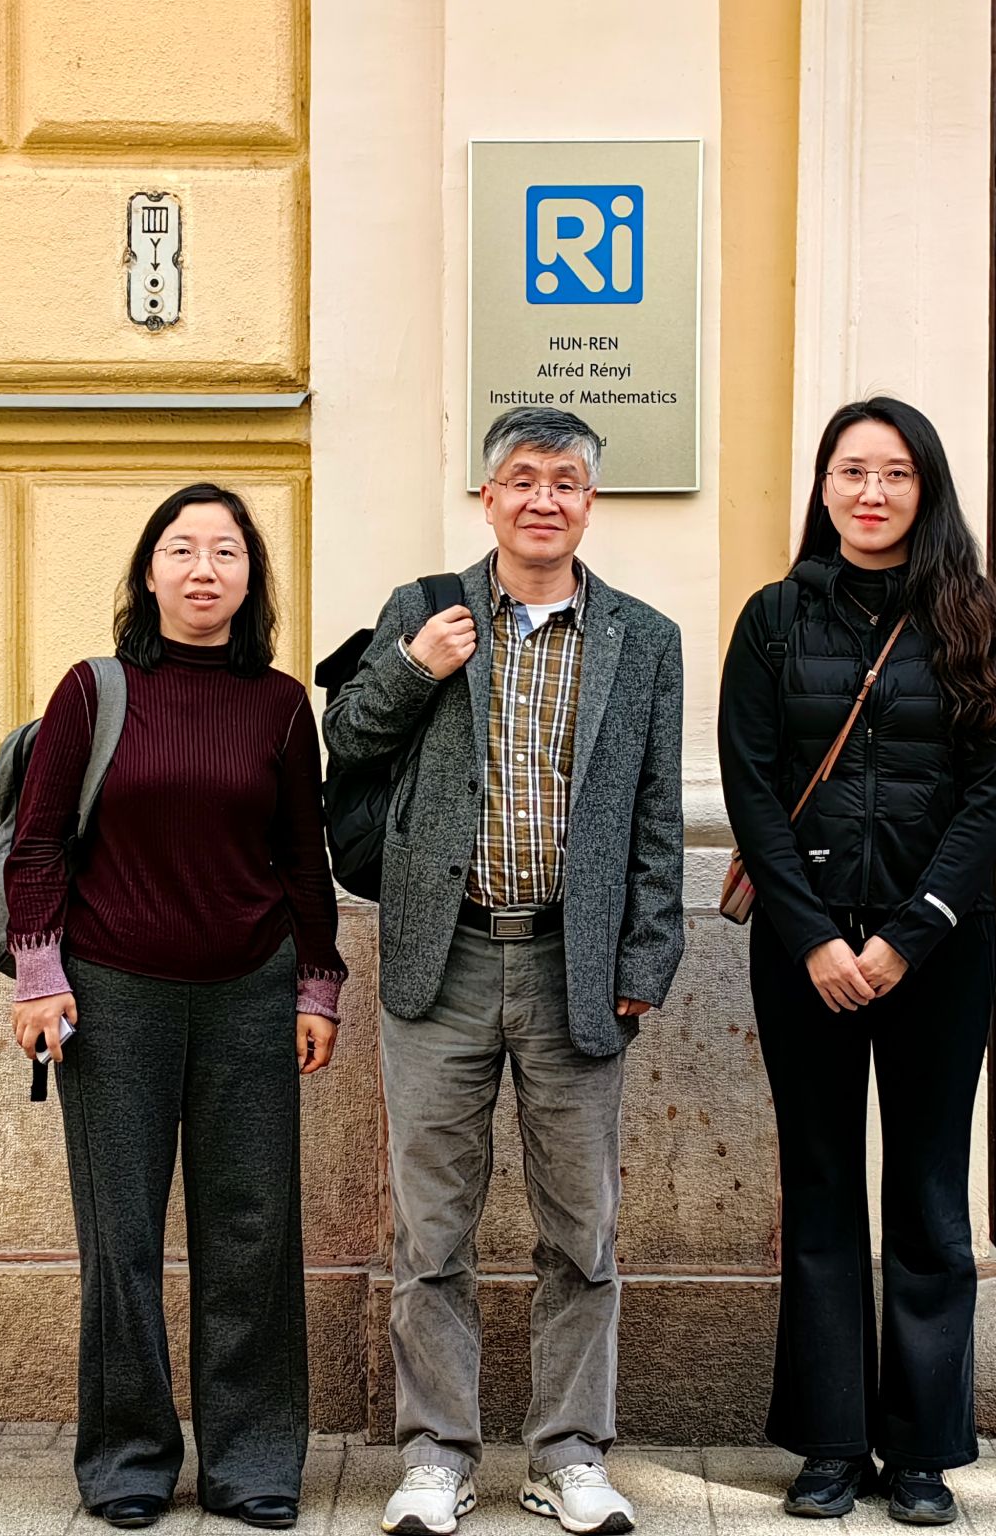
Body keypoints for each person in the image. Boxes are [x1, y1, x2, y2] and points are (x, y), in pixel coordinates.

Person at [323, 407, 685, 1536]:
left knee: (582, 1231)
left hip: (576, 967)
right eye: (522, 478)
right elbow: (348, 737)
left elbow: (655, 814)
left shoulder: (643, 637)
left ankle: (569, 1454)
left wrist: (646, 953)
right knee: (432, 1230)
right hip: (444, 959)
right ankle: (437, 1454)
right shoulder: (424, 610)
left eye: (564, 481)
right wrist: (413, 668)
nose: (543, 499)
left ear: (590, 503)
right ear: (487, 498)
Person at [3, 483, 345, 1532]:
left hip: (250, 994)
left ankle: (252, 1459)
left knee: (252, 1233)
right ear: (149, 573)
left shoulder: (279, 705)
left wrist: (318, 983)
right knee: (120, 1237)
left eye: (226, 552)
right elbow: (37, 844)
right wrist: (39, 974)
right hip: (113, 998)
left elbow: (302, 857)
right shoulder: (93, 691)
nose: (204, 569)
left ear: (251, 579)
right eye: (182, 549)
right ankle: (129, 1458)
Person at [718, 399, 996, 1527]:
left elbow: (992, 796)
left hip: (934, 949)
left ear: (924, 489)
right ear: (823, 488)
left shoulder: (974, 619)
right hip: (804, 949)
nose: (871, 492)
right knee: (818, 1189)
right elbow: (752, 785)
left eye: (894, 473)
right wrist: (813, 937)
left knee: (929, 1195)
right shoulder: (772, 620)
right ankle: (830, 1445)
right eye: (851, 471)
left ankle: (922, 1451)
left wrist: (907, 936)